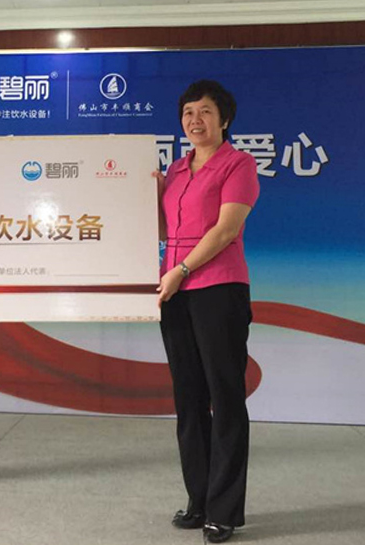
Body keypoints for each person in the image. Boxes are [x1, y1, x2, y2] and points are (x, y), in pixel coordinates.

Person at [155, 80, 259, 543]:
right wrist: (145, 192)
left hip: (219, 289)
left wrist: (180, 270)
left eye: (205, 112)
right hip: (174, 292)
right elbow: (165, 227)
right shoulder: (175, 170)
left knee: (225, 396)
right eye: (188, 113)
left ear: (224, 119)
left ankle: (224, 510)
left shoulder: (239, 164)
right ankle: (199, 500)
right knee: (189, 398)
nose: (195, 120)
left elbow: (225, 230)